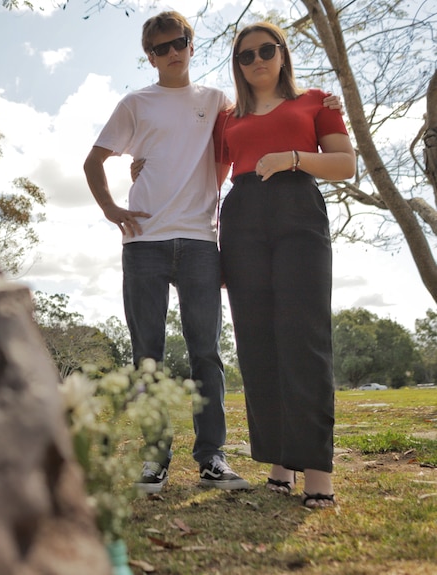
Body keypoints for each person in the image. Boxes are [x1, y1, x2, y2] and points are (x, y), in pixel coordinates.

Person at [83, 11, 249, 494]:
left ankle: (211, 459)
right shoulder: (136, 102)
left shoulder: (217, 100)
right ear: (149, 56)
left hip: (200, 241)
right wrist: (113, 209)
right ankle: (155, 459)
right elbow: (94, 161)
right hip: (144, 244)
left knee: (207, 355)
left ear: (191, 44)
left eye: (178, 42)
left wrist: (318, 100)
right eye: (160, 48)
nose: (172, 52)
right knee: (147, 358)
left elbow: (263, 107)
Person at [213, 22, 355, 508]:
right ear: (238, 65)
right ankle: (278, 463)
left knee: (305, 338)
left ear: (282, 54)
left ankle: (316, 471)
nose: (256, 61)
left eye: (265, 51)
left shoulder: (316, 101)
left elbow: (344, 164)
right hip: (242, 219)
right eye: (245, 56)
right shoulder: (228, 116)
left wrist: (294, 157)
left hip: (299, 213)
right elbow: (209, 178)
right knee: (257, 343)